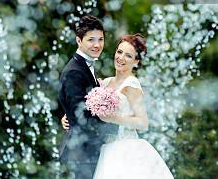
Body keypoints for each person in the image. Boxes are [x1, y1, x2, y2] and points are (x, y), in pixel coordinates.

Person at [62, 33, 174, 179]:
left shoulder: (131, 85)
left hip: (126, 149)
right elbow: (85, 106)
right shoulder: (105, 83)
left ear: (136, 61)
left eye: (128, 55)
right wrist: (70, 115)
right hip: (105, 149)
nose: (121, 58)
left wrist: (113, 118)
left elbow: (142, 122)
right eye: (119, 52)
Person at [58, 15, 117, 179]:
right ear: (79, 40)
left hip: (89, 151)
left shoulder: (84, 66)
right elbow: (82, 119)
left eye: (101, 39)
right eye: (91, 40)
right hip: (82, 154)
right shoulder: (74, 72)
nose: (97, 45)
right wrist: (117, 128)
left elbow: (79, 108)